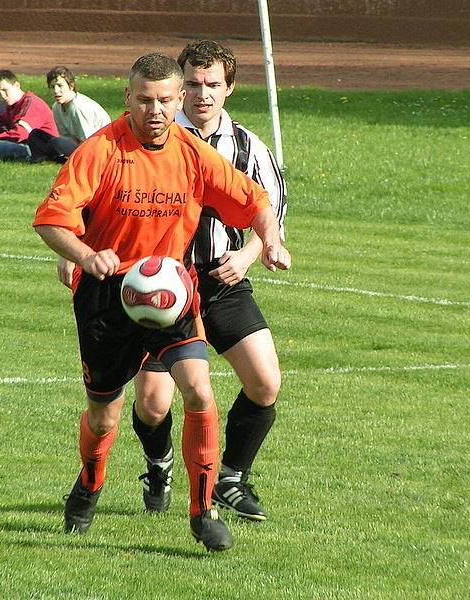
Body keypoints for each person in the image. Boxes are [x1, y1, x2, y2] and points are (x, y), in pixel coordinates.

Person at [33, 53, 290, 552]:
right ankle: (89, 483)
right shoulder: (100, 149)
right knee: (105, 415)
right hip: (107, 299)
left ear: (177, 103)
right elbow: (50, 218)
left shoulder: (192, 152)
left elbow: (255, 199)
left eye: (165, 101)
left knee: (198, 389)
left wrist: (270, 240)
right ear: (127, 97)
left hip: (172, 292)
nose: (155, 110)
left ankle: (202, 511)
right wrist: (86, 254)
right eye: (145, 99)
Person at [129, 40, 287, 522]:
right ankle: (159, 464)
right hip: (160, 286)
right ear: (178, 91)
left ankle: (232, 479)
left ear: (230, 88)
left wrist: (253, 251)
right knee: (154, 404)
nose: (202, 94)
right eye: (192, 85)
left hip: (221, 277)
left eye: (212, 85)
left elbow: (270, 211)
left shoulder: (247, 146)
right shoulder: (148, 137)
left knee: (265, 383)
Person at [28, 66, 111, 164]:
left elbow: (89, 140)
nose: (56, 91)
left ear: (71, 86)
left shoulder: (78, 107)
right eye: (52, 87)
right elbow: (65, 136)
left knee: (56, 143)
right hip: (76, 143)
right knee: (35, 134)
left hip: (96, 148)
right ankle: (41, 160)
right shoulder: (56, 107)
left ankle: (59, 158)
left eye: (60, 86)